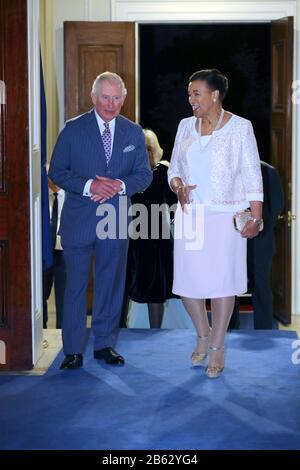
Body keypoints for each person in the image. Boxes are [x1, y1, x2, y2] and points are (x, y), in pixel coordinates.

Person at [49, 71, 152, 369]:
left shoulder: (133, 133)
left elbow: (143, 175)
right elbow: (57, 171)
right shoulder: (72, 130)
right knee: (75, 287)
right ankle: (72, 350)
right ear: (94, 97)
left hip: (115, 219)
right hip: (78, 221)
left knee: (110, 285)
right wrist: (89, 186)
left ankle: (105, 345)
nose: (110, 104)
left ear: (123, 99)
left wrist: (118, 186)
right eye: (105, 97)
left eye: (116, 97)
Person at [168, 68, 264, 378]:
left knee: (223, 284)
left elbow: (252, 175)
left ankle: (218, 346)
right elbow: (174, 170)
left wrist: (256, 216)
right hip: (191, 216)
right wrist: (178, 186)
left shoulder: (240, 128)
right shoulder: (185, 127)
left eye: (196, 93)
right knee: (186, 284)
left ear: (214, 95)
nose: (191, 99)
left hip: (226, 217)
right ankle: (202, 333)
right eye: (189, 94)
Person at [122, 129, 177, 328]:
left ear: (155, 151)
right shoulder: (128, 176)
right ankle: (118, 331)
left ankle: (156, 334)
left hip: (158, 241)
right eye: (140, 149)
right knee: (125, 285)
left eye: (148, 149)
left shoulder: (163, 173)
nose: (145, 153)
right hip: (132, 240)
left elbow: (173, 204)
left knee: (156, 290)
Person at [42, 174, 66, 329]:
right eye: (48, 176)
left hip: (64, 253)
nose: (51, 179)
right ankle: (40, 330)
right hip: (45, 252)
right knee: (41, 294)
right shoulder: (42, 200)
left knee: (63, 296)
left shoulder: (71, 196)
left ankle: (62, 331)